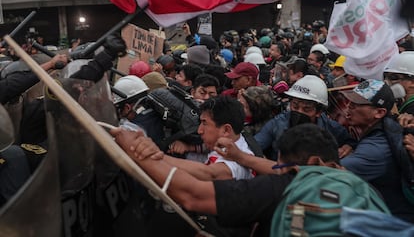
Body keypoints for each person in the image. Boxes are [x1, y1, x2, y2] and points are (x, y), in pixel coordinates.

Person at [112, 123, 373, 237]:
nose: (278, 170)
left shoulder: (283, 187)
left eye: (282, 165)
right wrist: (242, 157)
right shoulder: (358, 187)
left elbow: (193, 194)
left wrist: (138, 154)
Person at [340, 79, 414, 223]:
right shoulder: (385, 129)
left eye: (356, 104)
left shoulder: (376, 149)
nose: (349, 106)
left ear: (379, 112)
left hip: (396, 226)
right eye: (350, 101)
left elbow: (330, 172)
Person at [254, 75, 355, 160]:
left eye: (306, 109)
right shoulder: (278, 123)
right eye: (295, 106)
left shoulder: (330, 127)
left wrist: (348, 146)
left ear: (319, 112)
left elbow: (351, 142)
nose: (299, 112)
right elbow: (255, 146)